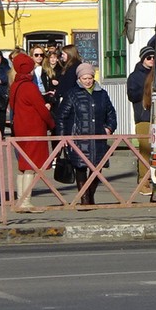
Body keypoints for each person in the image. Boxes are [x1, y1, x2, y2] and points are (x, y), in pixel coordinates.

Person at [56, 62, 117, 207]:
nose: (88, 81)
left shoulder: (101, 93)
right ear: (79, 78)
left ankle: (90, 194)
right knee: (81, 167)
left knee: (97, 169)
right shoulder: (72, 94)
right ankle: (85, 199)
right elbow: (61, 116)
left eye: (90, 77)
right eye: (84, 78)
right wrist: (62, 135)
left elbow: (111, 113)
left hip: (98, 137)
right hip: (78, 137)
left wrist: (109, 128)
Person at [9, 51, 54, 212]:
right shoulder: (29, 87)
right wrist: (51, 123)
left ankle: (20, 200)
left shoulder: (15, 85)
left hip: (19, 128)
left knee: (22, 165)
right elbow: (42, 110)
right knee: (31, 166)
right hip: (33, 129)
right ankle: (26, 201)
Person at [126, 43, 155, 195]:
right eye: (149, 58)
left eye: (154, 57)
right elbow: (132, 96)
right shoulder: (135, 76)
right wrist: (147, 88)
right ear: (143, 59)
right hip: (143, 117)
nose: (152, 60)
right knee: (145, 151)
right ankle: (144, 182)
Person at [55, 44, 83, 110]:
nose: (62, 56)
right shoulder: (68, 66)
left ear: (69, 54)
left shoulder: (73, 67)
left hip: (70, 100)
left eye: (63, 54)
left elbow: (69, 84)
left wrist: (59, 93)